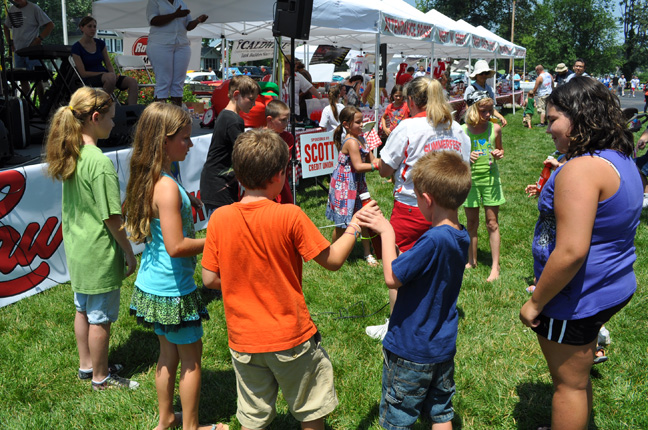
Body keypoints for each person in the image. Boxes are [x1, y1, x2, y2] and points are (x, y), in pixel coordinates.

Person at [201, 128, 379, 430]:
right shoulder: (290, 215)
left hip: (244, 340)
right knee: (310, 410)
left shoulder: (219, 218)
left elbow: (209, 278)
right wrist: (354, 225)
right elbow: (334, 261)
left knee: (252, 417)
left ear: (239, 176)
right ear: (279, 175)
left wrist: (243, 284)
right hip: (291, 337)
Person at [520, 77, 641, 430]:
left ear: (580, 117)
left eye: (553, 118)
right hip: (611, 285)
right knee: (578, 374)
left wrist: (536, 303)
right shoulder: (618, 158)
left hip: (575, 298)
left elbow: (571, 251)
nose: (547, 128)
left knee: (568, 385)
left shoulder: (580, 170)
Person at [123, 103, 221, 430]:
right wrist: (217, 239)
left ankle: (165, 419)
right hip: (173, 290)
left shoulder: (154, 178)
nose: (190, 144)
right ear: (163, 141)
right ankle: (192, 427)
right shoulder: (165, 186)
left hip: (153, 284)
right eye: (184, 138)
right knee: (192, 361)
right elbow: (177, 246)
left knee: (168, 355)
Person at [356, 150, 471, 430]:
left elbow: (392, 278)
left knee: (398, 418)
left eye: (416, 196)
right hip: (441, 347)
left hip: (410, 349)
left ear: (427, 200)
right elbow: (409, 268)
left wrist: (386, 232)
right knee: (441, 412)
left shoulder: (432, 240)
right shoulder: (460, 234)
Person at [43, 87, 138, 391]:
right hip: (99, 252)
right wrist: (129, 251)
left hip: (79, 249)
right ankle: (101, 377)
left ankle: (88, 366)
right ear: (95, 118)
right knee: (101, 318)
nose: (114, 123)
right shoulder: (98, 162)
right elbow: (112, 216)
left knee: (82, 309)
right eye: (111, 117)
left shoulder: (72, 153)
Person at [366, 77, 471, 340]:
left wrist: (376, 159)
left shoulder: (408, 127)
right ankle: (436, 316)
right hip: (448, 208)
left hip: (412, 207)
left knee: (399, 265)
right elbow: (464, 168)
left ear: (411, 101)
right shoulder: (457, 129)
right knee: (441, 265)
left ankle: (396, 323)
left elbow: (386, 169)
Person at [326, 106, 379, 266]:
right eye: (358, 122)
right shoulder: (351, 142)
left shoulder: (362, 139)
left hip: (358, 184)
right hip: (345, 186)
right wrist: (377, 167)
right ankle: (333, 252)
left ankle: (367, 253)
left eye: (362, 121)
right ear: (346, 124)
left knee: (364, 218)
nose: (362, 124)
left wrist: (384, 162)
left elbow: (372, 159)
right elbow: (358, 166)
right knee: (342, 223)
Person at [462, 91, 505, 283]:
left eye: (490, 110)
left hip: (490, 180)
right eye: (484, 111)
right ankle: (472, 260)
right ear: (472, 109)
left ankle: (495, 266)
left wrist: (498, 153)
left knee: (492, 223)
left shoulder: (494, 129)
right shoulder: (462, 131)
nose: (488, 115)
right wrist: (465, 157)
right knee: (471, 223)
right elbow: (454, 156)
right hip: (469, 180)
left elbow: (501, 149)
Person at [200, 75, 259, 216]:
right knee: (223, 234)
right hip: (219, 185)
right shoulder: (233, 120)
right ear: (237, 95)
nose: (254, 104)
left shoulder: (224, 115)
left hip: (214, 183)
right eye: (251, 99)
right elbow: (243, 153)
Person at [147, 0, 208, 105]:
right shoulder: (155, 1)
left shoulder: (181, 2)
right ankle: (160, 117)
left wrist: (198, 20)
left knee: (178, 83)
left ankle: (176, 116)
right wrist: (175, 15)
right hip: (161, 44)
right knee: (163, 81)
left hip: (182, 44)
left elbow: (188, 26)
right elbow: (153, 21)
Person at [71, 16, 139, 105]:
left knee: (132, 82)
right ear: (82, 28)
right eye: (89, 26)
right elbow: (83, 73)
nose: (93, 29)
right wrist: (105, 74)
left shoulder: (100, 43)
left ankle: (132, 111)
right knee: (110, 77)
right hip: (90, 78)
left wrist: (113, 74)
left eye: (94, 26)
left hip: (106, 76)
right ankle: (105, 106)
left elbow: (108, 63)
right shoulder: (76, 47)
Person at [3, 0, 54, 101]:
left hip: (33, 51)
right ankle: (28, 107)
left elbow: (50, 25)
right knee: (22, 79)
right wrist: (10, 42)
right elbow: (6, 26)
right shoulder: (12, 10)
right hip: (18, 51)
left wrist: (39, 39)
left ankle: (42, 105)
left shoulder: (34, 8)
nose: (16, 2)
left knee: (37, 79)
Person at [264, 99, 294, 204]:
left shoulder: (287, 138)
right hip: (262, 185)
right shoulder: (258, 137)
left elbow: (281, 162)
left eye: (287, 120)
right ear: (269, 120)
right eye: (283, 120)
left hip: (279, 182)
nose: (286, 123)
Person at [463, 60, 508, 126]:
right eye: (481, 73)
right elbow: (467, 107)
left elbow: (491, 108)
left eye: (486, 73)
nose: (483, 75)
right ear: (476, 75)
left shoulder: (490, 89)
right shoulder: (471, 89)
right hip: (473, 123)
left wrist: (501, 117)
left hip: (485, 122)